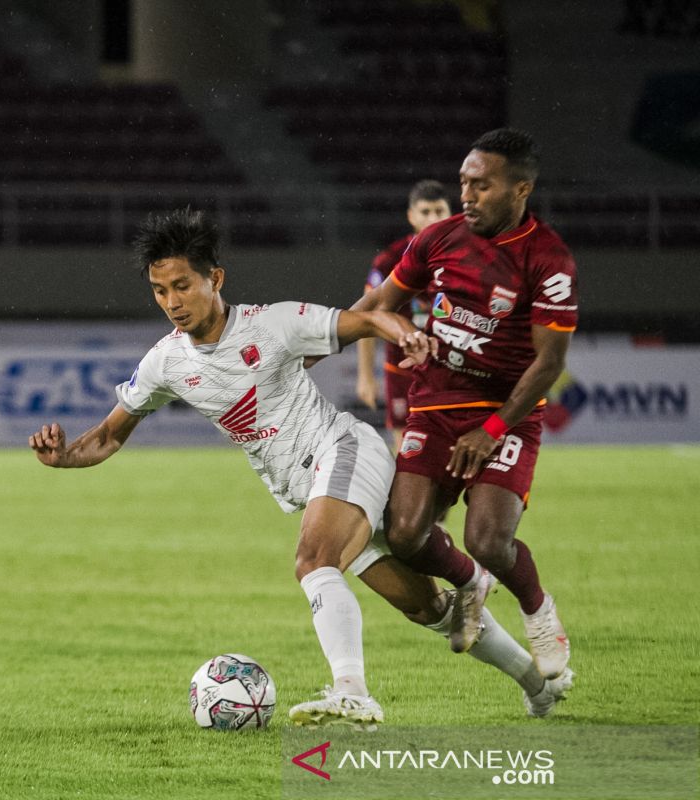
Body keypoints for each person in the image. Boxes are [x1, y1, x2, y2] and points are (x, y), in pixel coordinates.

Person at [29, 208, 572, 727]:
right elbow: (106, 436)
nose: (172, 301)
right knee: (430, 609)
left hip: (343, 449)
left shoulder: (275, 324)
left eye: (182, 286)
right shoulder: (165, 362)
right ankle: (538, 686)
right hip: (310, 486)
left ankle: (352, 694)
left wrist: (401, 333)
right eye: (160, 290)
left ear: (215, 278)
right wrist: (63, 456)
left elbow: (365, 317)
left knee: (313, 560)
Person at [352, 129, 577, 678]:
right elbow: (381, 305)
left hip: (507, 410)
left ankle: (538, 611)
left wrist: (494, 428)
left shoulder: (549, 260)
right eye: (464, 183)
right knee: (404, 534)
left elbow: (548, 364)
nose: (468, 195)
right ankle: (470, 583)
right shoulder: (438, 240)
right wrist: (400, 332)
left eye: (482, 184)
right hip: (437, 400)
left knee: (488, 539)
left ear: (521, 188)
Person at [356, 180, 452, 452]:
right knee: (407, 450)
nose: (433, 218)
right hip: (402, 369)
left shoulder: (466, 255)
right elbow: (368, 316)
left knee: (451, 450)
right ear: (411, 216)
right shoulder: (390, 260)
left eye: (439, 210)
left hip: (453, 368)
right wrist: (365, 376)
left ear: (451, 214)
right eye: (425, 212)